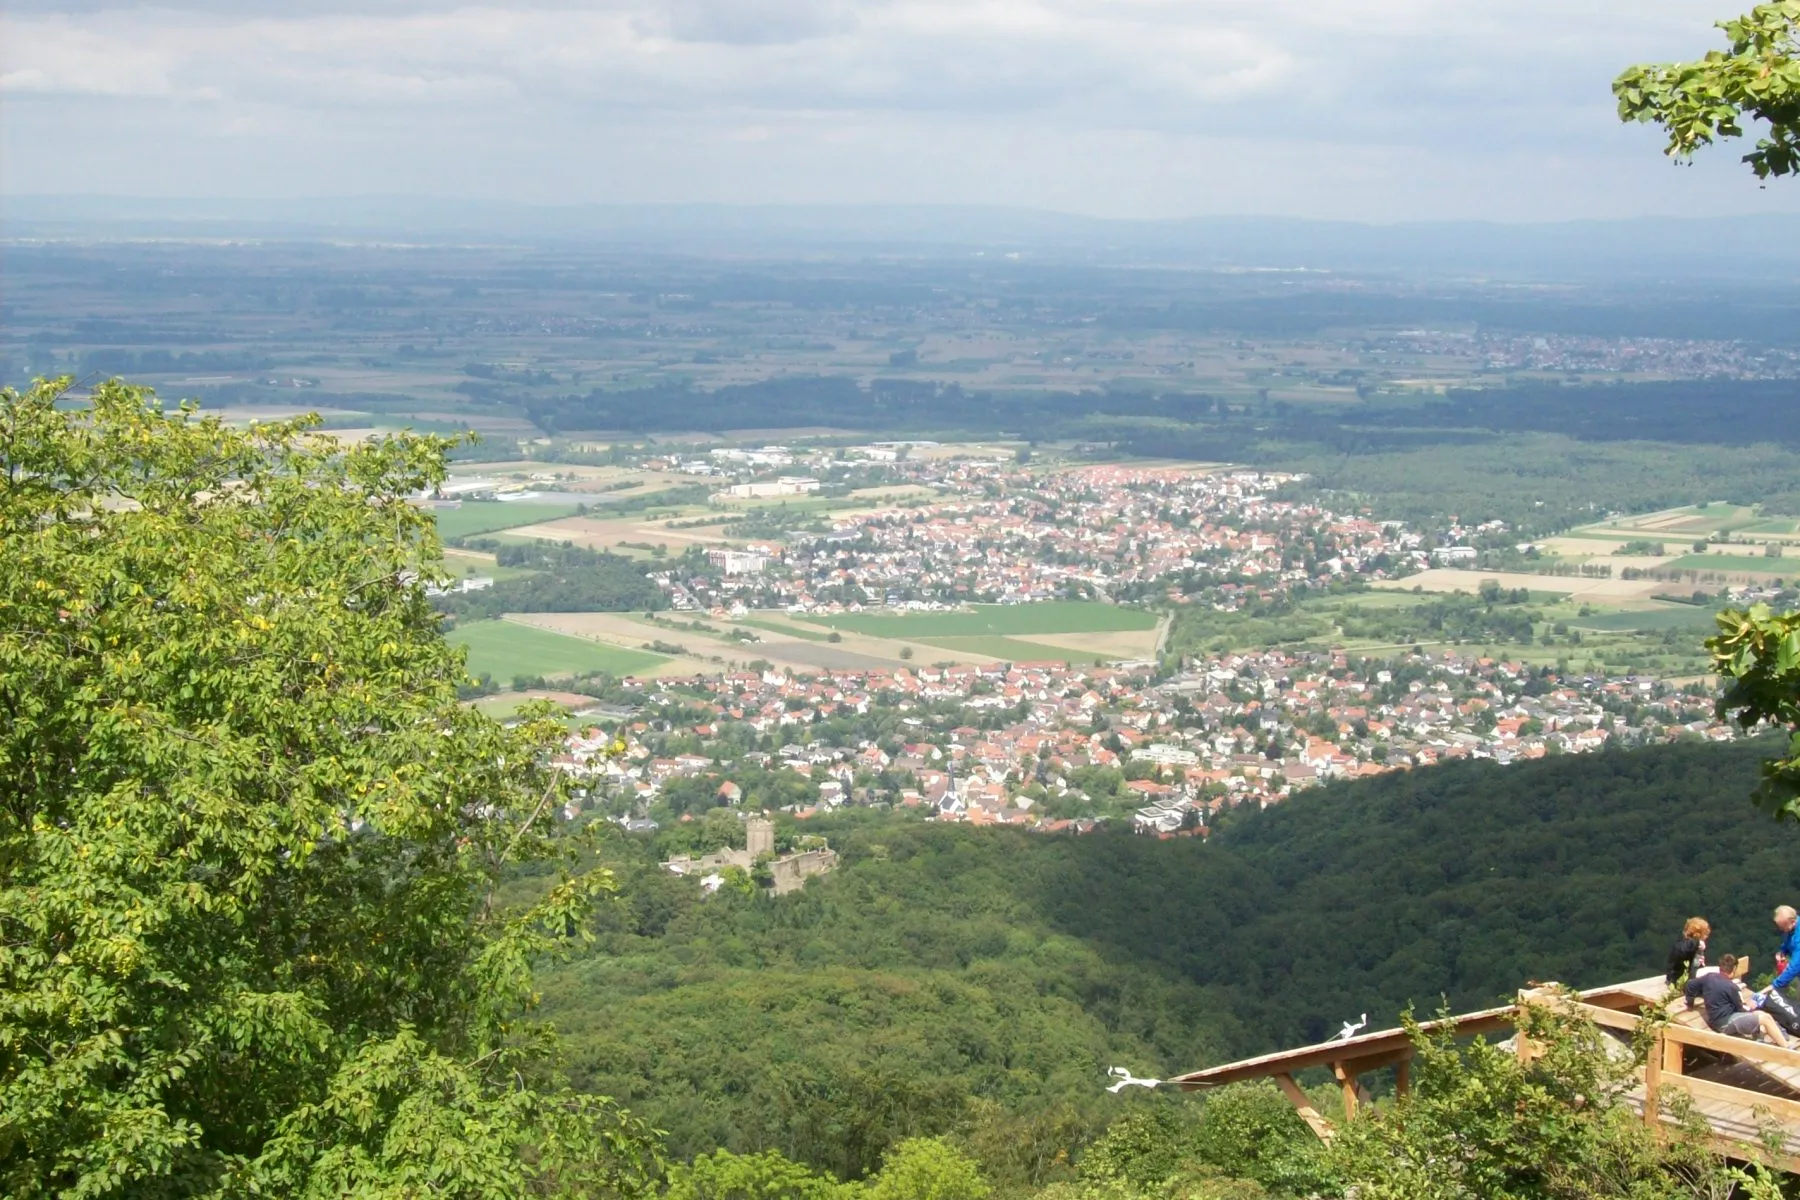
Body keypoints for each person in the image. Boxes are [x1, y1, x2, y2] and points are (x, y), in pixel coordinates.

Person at [1687, 955, 1795, 1048]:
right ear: (1733, 969)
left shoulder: (1709, 977)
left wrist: (1690, 1003)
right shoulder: (1731, 987)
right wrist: (1750, 1007)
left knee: (1761, 1015)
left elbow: (1690, 985)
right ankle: (1786, 1047)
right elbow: (1740, 1009)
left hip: (1718, 1019)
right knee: (1764, 1018)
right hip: (1725, 1023)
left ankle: (1762, 1040)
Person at [1666, 916, 1710, 984]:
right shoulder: (1684, 944)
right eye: (1705, 934)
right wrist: (1697, 943)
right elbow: (1684, 949)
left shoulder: (1693, 946)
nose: (1707, 936)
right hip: (1678, 980)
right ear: (1697, 934)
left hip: (1687, 977)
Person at [1773, 906, 1800, 993]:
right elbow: (1788, 940)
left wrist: (1775, 984)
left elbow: (1795, 966)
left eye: (1783, 927)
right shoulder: (1791, 928)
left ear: (1792, 921)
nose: (1782, 930)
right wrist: (1783, 951)